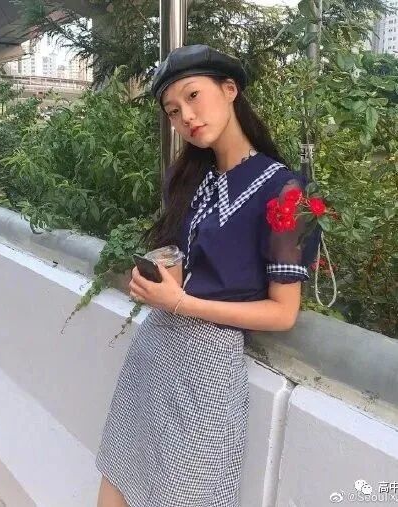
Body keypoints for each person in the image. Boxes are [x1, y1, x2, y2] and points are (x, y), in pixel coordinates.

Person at [95, 44, 322, 507]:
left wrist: (181, 302)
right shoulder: (187, 179)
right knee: (117, 477)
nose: (187, 117)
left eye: (194, 96)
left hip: (208, 368)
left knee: (187, 494)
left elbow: (283, 313)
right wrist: (163, 278)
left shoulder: (286, 191)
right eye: (173, 111)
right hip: (154, 350)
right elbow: (190, 262)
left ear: (230, 89)